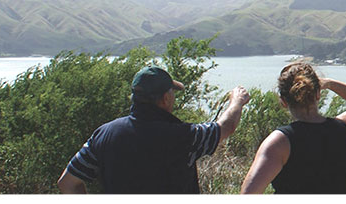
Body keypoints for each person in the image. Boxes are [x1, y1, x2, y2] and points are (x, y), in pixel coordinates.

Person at [56, 66, 250, 193]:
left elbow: (67, 182)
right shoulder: (183, 136)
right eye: (172, 93)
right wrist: (237, 101)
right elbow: (225, 127)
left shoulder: (104, 134)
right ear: (165, 99)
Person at [240, 62, 346, 194]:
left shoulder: (279, 142)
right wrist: (331, 84)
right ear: (318, 94)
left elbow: (248, 193)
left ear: (283, 101)